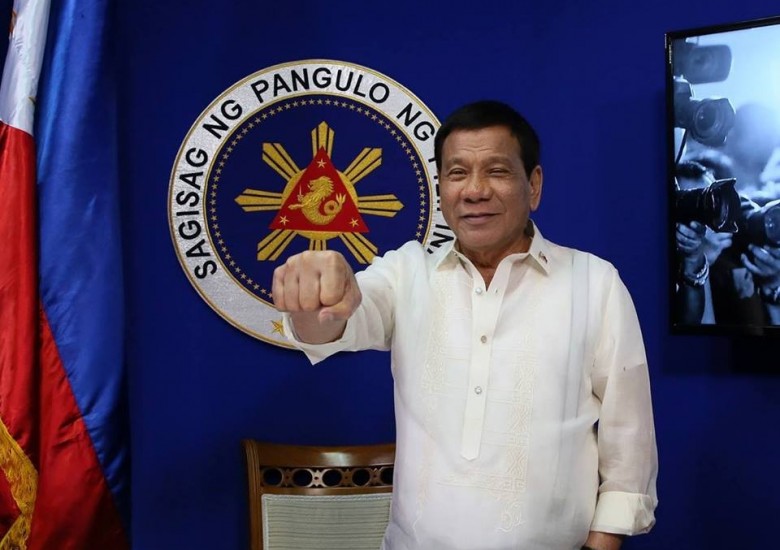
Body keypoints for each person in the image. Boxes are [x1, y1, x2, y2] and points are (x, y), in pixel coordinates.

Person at [273, 100, 658, 550]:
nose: (474, 191)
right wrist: (317, 300)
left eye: (497, 171)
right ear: (441, 188)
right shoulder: (407, 273)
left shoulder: (594, 283)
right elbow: (333, 327)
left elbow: (628, 440)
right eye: (457, 173)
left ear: (533, 185)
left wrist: (601, 543)